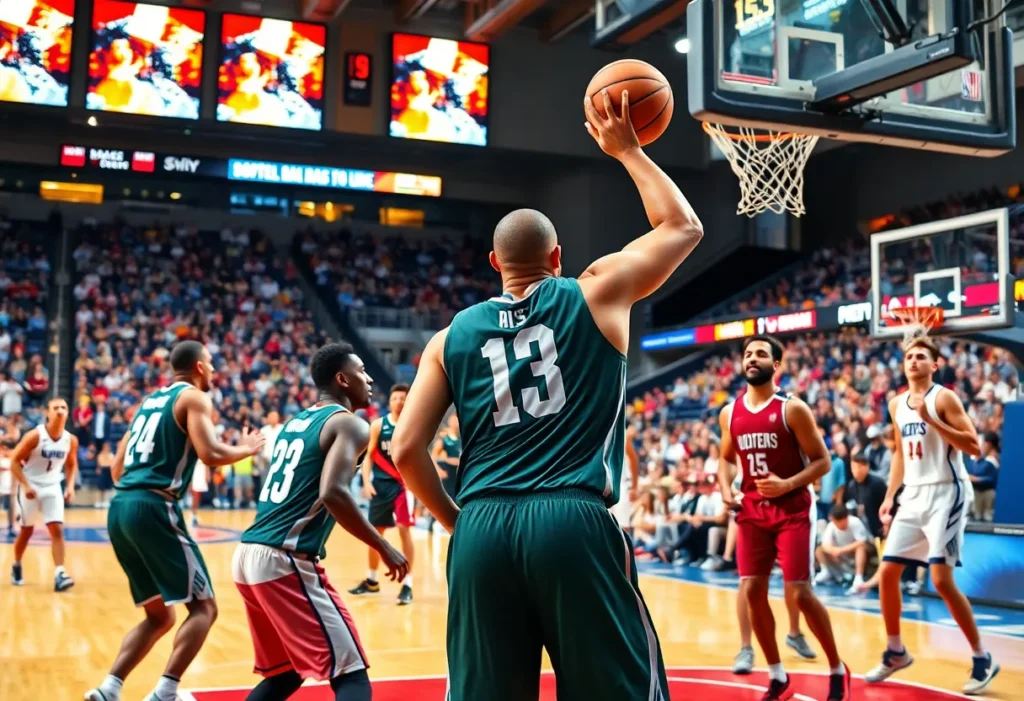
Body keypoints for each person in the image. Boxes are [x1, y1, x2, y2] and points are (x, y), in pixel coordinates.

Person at [391, 88, 704, 700]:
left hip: (481, 524)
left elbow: (406, 449)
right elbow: (683, 226)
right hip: (571, 520)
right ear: (557, 258)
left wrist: (461, 520)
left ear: (493, 263)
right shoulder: (595, 291)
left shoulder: (448, 337)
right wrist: (629, 151)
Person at [85, 341, 265, 701]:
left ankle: (109, 688)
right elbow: (211, 453)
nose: (214, 370)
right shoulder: (195, 398)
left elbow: (117, 467)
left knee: (160, 617)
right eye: (211, 363)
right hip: (154, 505)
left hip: (120, 507)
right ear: (199, 367)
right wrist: (247, 448)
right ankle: (166, 692)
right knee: (204, 607)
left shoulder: (147, 403)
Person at [232, 343, 409, 701]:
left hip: (248, 554)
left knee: (286, 674)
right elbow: (333, 493)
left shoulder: (298, 420)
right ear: (342, 379)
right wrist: (383, 545)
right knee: (352, 674)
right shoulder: (350, 424)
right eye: (362, 371)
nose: (370, 378)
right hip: (284, 557)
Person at [865, 333, 999, 695]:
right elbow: (898, 454)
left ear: (934, 365)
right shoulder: (895, 405)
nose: (913, 361)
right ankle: (895, 651)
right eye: (909, 356)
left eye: (921, 356)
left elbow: (972, 445)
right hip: (914, 495)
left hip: (948, 491)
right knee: (888, 572)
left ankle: (982, 656)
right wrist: (891, 495)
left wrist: (932, 419)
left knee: (940, 581)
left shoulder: (944, 397)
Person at [718, 335, 850, 701]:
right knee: (752, 590)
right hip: (751, 511)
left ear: (777, 365)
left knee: (800, 594)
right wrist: (725, 488)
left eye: (761, 353)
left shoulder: (793, 409)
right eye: (747, 354)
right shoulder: (730, 412)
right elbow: (726, 458)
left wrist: (788, 483)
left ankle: (837, 668)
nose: (752, 358)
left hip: (792, 508)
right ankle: (778, 676)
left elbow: (822, 461)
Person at [348, 384, 415, 605]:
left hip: (404, 486)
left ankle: (407, 584)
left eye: (403, 398)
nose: (399, 401)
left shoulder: (413, 424)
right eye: (395, 398)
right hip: (381, 486)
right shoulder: (378, 425)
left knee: (405, 531)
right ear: (390, 402)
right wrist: (366, 481)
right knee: (375, 533)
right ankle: (372, 581)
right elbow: (368, 456)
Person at [9, 396, 78, 591]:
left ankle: (60, 573)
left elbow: (72, 464)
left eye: (63, 407)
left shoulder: (70, 440)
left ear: (67, 412)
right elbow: (14, 461)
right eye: (55, 407)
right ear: (47, 413)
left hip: (53, 486)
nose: (59, 410)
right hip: (31, 485)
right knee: (26, 531)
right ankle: (16, 564)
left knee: (57, 529)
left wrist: (70, 486)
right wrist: (25, 485)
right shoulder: (35, 436)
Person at [815, 504, 874, 593]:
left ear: (846, 518)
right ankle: (826, 571)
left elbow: (861, 541)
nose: (838, 525)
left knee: (861, 548)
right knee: (819, 549)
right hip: (839, 554)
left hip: (854, 552)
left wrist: (841, 550)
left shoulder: (855, 522)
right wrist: (833, 550)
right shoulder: (831, 525)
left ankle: (859, 577)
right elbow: (825, 544)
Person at [427, 412, 462, 533]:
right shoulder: (444, 438)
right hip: (446, 473)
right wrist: (439, 470)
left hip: (458, 473)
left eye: (457, 420)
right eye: (453, 420)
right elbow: (433, 456)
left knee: (457, 499)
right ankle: (431, 527)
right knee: (444, 499)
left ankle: (456, 529)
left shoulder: (461, 438)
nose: (455, 422)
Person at [966, 432, 998, 522]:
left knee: (988, 516)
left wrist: (978, 479)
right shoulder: (972, 461)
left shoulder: (991, 461)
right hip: (975, 492)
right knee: (976, 515)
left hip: (988, 492)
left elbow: (992, 479)